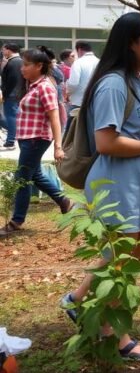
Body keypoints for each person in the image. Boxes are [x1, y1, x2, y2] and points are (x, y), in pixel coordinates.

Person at [59, 12, 140, 362]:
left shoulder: (136, 81)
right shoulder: (114, 83)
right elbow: (106, 142)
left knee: (135, 254)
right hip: (118, 182)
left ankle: (78, 301)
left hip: (137, 181)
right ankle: (114, 334)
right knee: (121, 258)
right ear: (132, 42)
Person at [0, 48, 71, 237]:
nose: (22, 68)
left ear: (39, 66)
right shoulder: (32, 85)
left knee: (22, 179)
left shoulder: (45, 87)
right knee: (35, 174)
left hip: (36, 139)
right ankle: (63, 201)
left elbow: (54, 117)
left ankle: (17, 220)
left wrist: (58, 146)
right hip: (27, 138)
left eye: (26, 64)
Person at [66, 41, 99, 118]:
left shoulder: (78, 63)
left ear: (79, 50)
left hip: (78, 102)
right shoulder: (99, 62)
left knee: (73, 128)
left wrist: (68, 93)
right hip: (96, 102)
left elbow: (73, 83)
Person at [1, 43, 24, 150]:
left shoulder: (14, 62)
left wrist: (5, 93)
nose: (2, 52)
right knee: (11, 117)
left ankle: (10, 141)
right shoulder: (19, 61)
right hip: (16, 93)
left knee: (11, 117)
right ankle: (14, 135)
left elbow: (12, 80)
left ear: (9, 50)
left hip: (12, 94)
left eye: (3, 50)